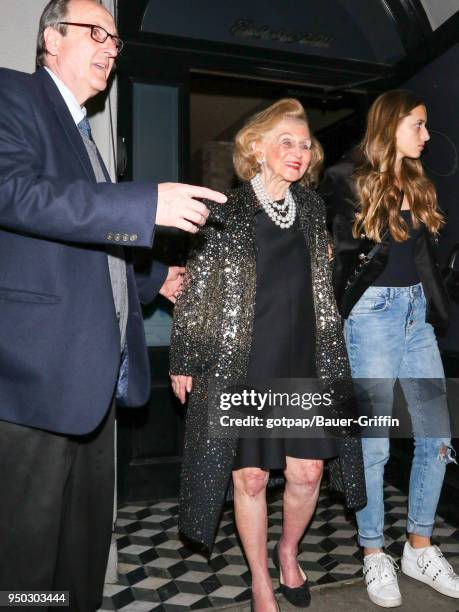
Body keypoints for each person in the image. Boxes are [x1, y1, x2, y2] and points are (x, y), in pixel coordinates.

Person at [0, 0, 226, 609]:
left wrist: (155, 282)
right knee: (23, 558)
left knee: (81, 545)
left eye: (116, 39)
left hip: (95, 376)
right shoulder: (11, 96)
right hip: (33, 374)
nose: (109, 46)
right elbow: (13, 192)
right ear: (51, 39)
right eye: (95, 31)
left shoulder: (88, 136)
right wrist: (142, 204)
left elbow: (88, 243)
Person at [169, 99, 366, 612]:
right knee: (251, 476)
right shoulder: (226, 212)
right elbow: (199, 287)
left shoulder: (314, 209)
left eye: (305, 144)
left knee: (307, 473)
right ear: (256, 148)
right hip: (244, 364)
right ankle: (260, 580)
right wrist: (185, 356)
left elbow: (324, 285)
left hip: (304, 362)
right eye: (286, 141)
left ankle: (287, 550)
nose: (298, 152)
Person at [320, 89, 459, 608]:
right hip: (371, 316)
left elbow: (423, 258)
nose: (426, 134)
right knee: (374, 444)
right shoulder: (343, 178)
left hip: (416, 316)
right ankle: (374, 551)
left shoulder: (419, 183)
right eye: (418, 124)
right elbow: (335, 254)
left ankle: (419, 546)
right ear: (391, 125)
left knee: (437, 436)